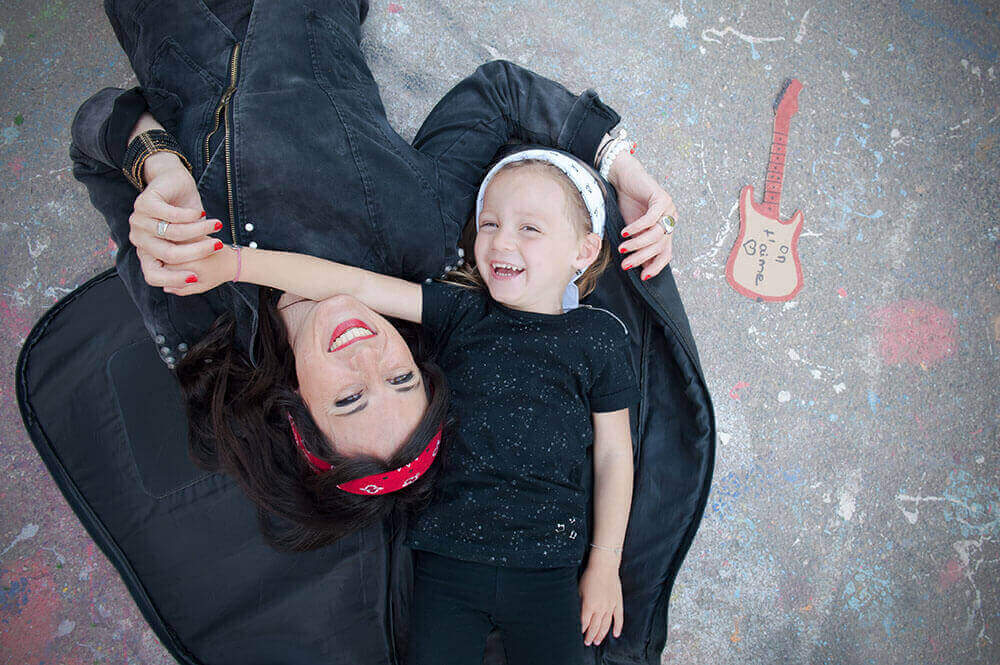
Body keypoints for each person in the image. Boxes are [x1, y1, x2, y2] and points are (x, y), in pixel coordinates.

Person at [54, 0, 715, 662]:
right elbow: (500, 93)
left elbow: (95, 130)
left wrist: (154, 161)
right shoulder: (421, 238)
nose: (367, 355)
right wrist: (622, 165)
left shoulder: (199, 323)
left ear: (295, 413)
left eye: (348, 397)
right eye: (399, 377)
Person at [157, 148, 639, 660]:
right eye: (491, 223)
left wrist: (605, 562)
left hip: (548, 566)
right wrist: (236, 263)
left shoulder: (599, 336)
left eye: (530, 229)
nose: (500, 240)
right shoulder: (462, 311)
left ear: (583, 252)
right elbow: (355, 284)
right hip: (446, 561)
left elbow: (613, 454)